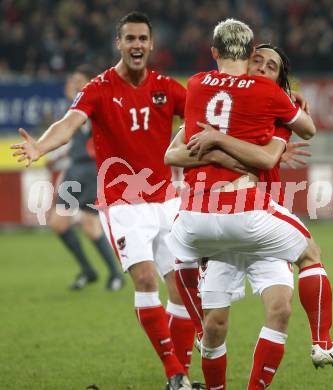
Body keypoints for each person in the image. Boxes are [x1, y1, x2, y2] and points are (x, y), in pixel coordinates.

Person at [11, 12, 198, 390]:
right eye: (130, 38)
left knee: (182, 288)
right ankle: (174, 373)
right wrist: (41, 145)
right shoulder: (99, 88)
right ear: (119, 43)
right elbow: (68, 123)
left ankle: (183, 374)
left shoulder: (166, 87)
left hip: (166, 203)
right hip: (123, 204)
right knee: (145, 279)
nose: (137, 45)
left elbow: (204, 113)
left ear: (151, 43)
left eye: (143, 38)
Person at [163, 18, 333, 389]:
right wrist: (228, 152)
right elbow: (175, 154)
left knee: (280, 311)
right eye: (257, 61)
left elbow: (268, 157)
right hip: (237, 216)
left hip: (255, 221)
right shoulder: (229, 98)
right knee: (215, 326)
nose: (262, 67)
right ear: (244, 61)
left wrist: (220, 145)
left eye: (272, 66)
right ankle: (318, 344)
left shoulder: (275, 111)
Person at [48, 65, 125, 291]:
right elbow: (71, 138)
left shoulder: (97, 104)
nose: (73, 84)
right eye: (72, 80)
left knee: (89, 224)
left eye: (79, 81)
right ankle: (88, 271)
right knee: (58, 223)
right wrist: (56, 157)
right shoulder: (73, 110)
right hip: (74, 169)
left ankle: (115, 274)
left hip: (92, 170)